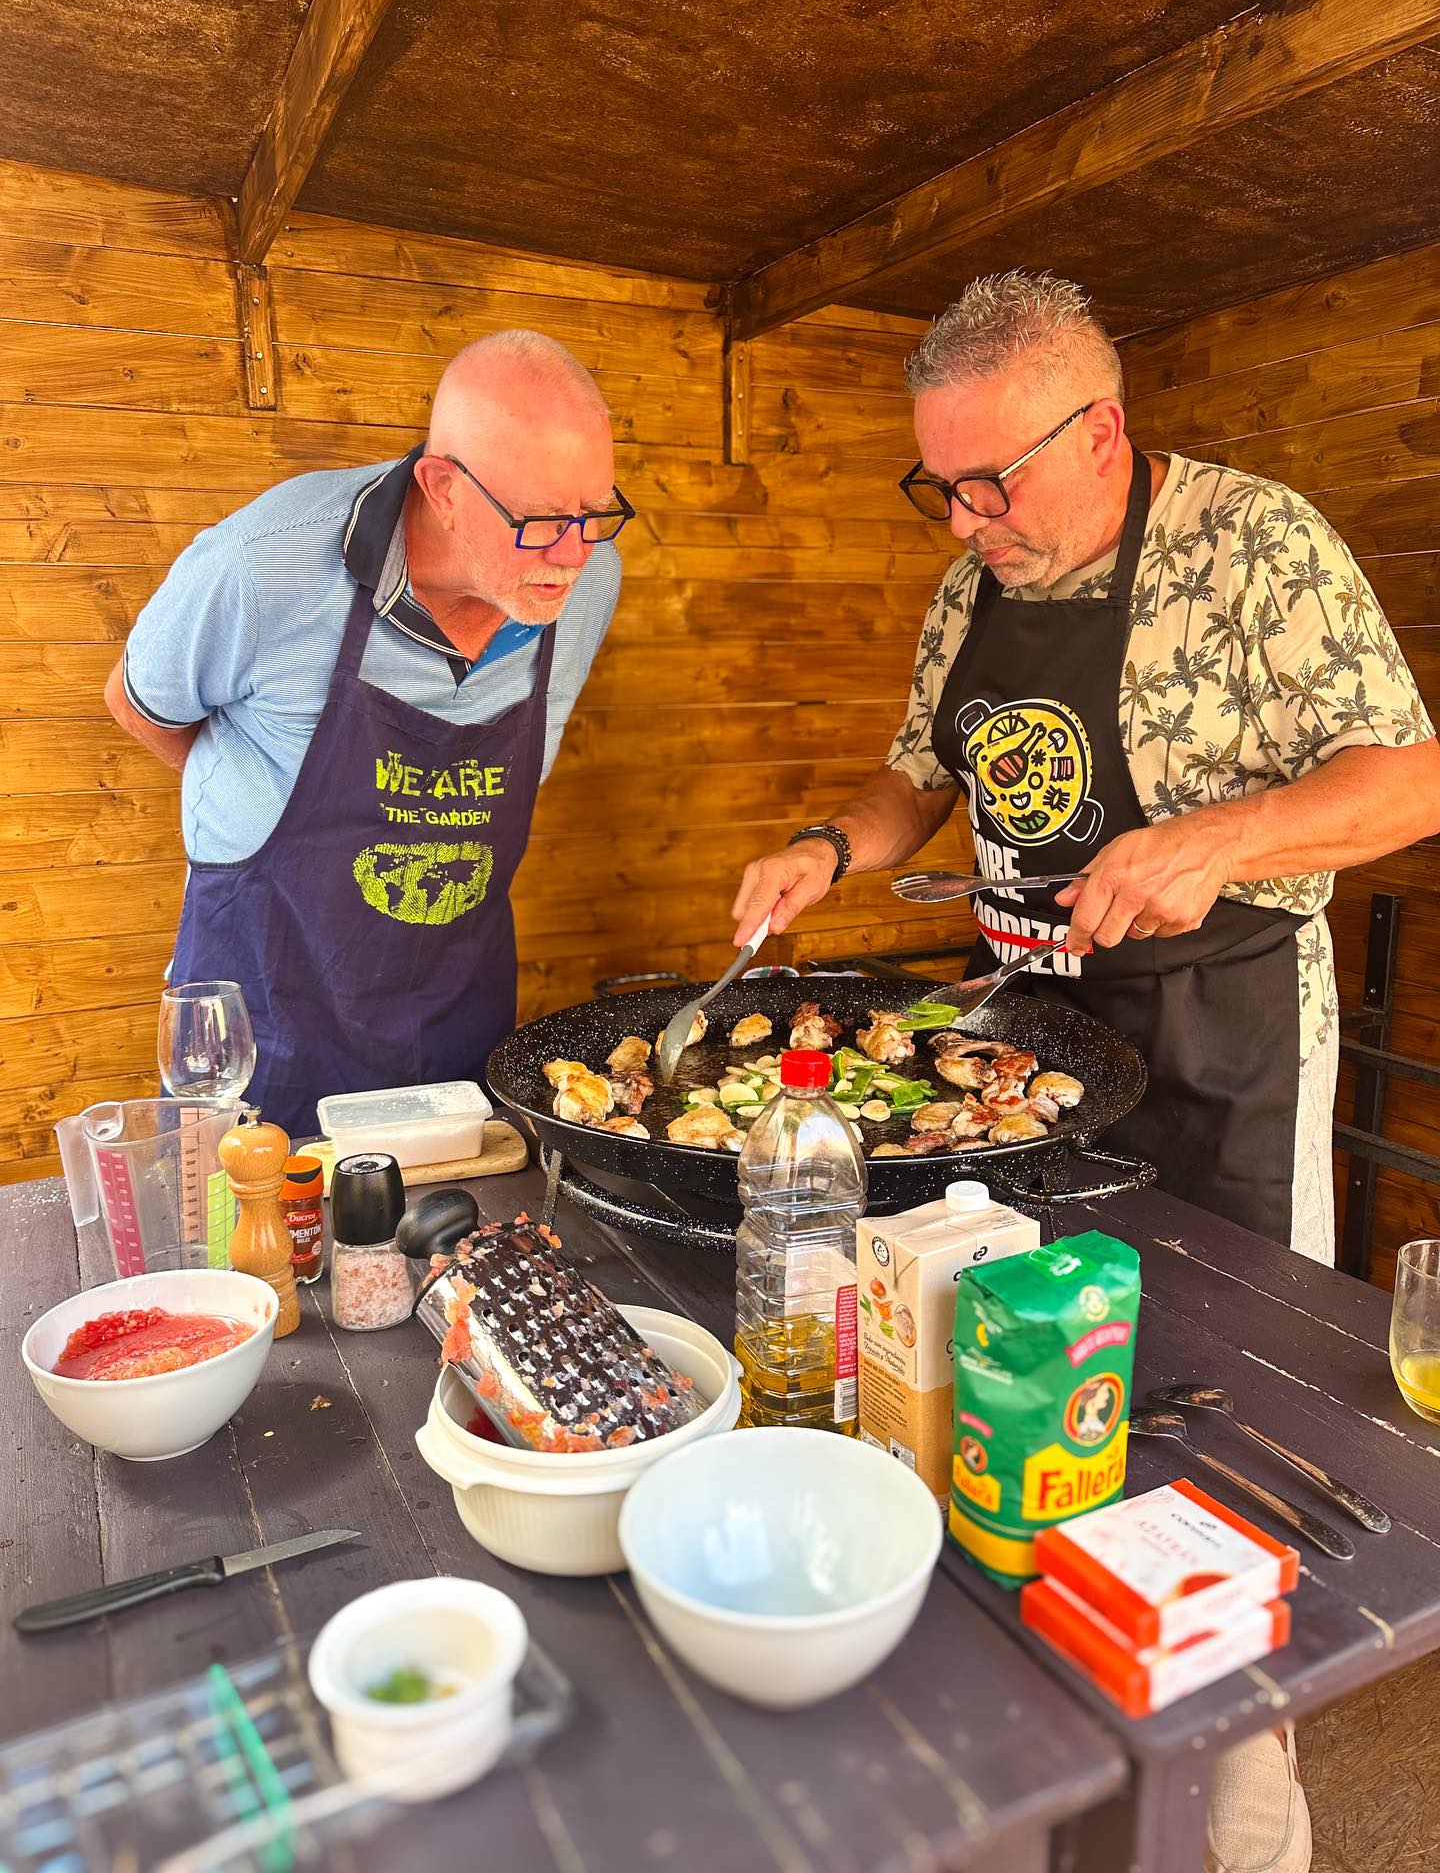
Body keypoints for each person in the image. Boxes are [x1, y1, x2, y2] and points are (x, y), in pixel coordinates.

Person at [732, 270, 1438, 1263]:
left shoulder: (1251, 543)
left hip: (1218, 1046)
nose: (962, 522)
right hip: (1013, 1028)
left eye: (990, 484)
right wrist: (830, 846)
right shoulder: (970, 585)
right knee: (1004, 1315)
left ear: (1100, 433)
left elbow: (1413, 779)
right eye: (941, 488)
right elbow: (921, 777)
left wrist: (1216, 842)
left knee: (1224, 1337)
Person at [106, 330, 631, 1136]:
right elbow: (139, 705)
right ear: (442, 486)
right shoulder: (262, 562)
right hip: (268, 1008)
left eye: (596, 513)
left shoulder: (585, 582)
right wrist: (262, 814)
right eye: (538, 520)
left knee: (455, 1249)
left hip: (454, 1009)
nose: (571, 555)